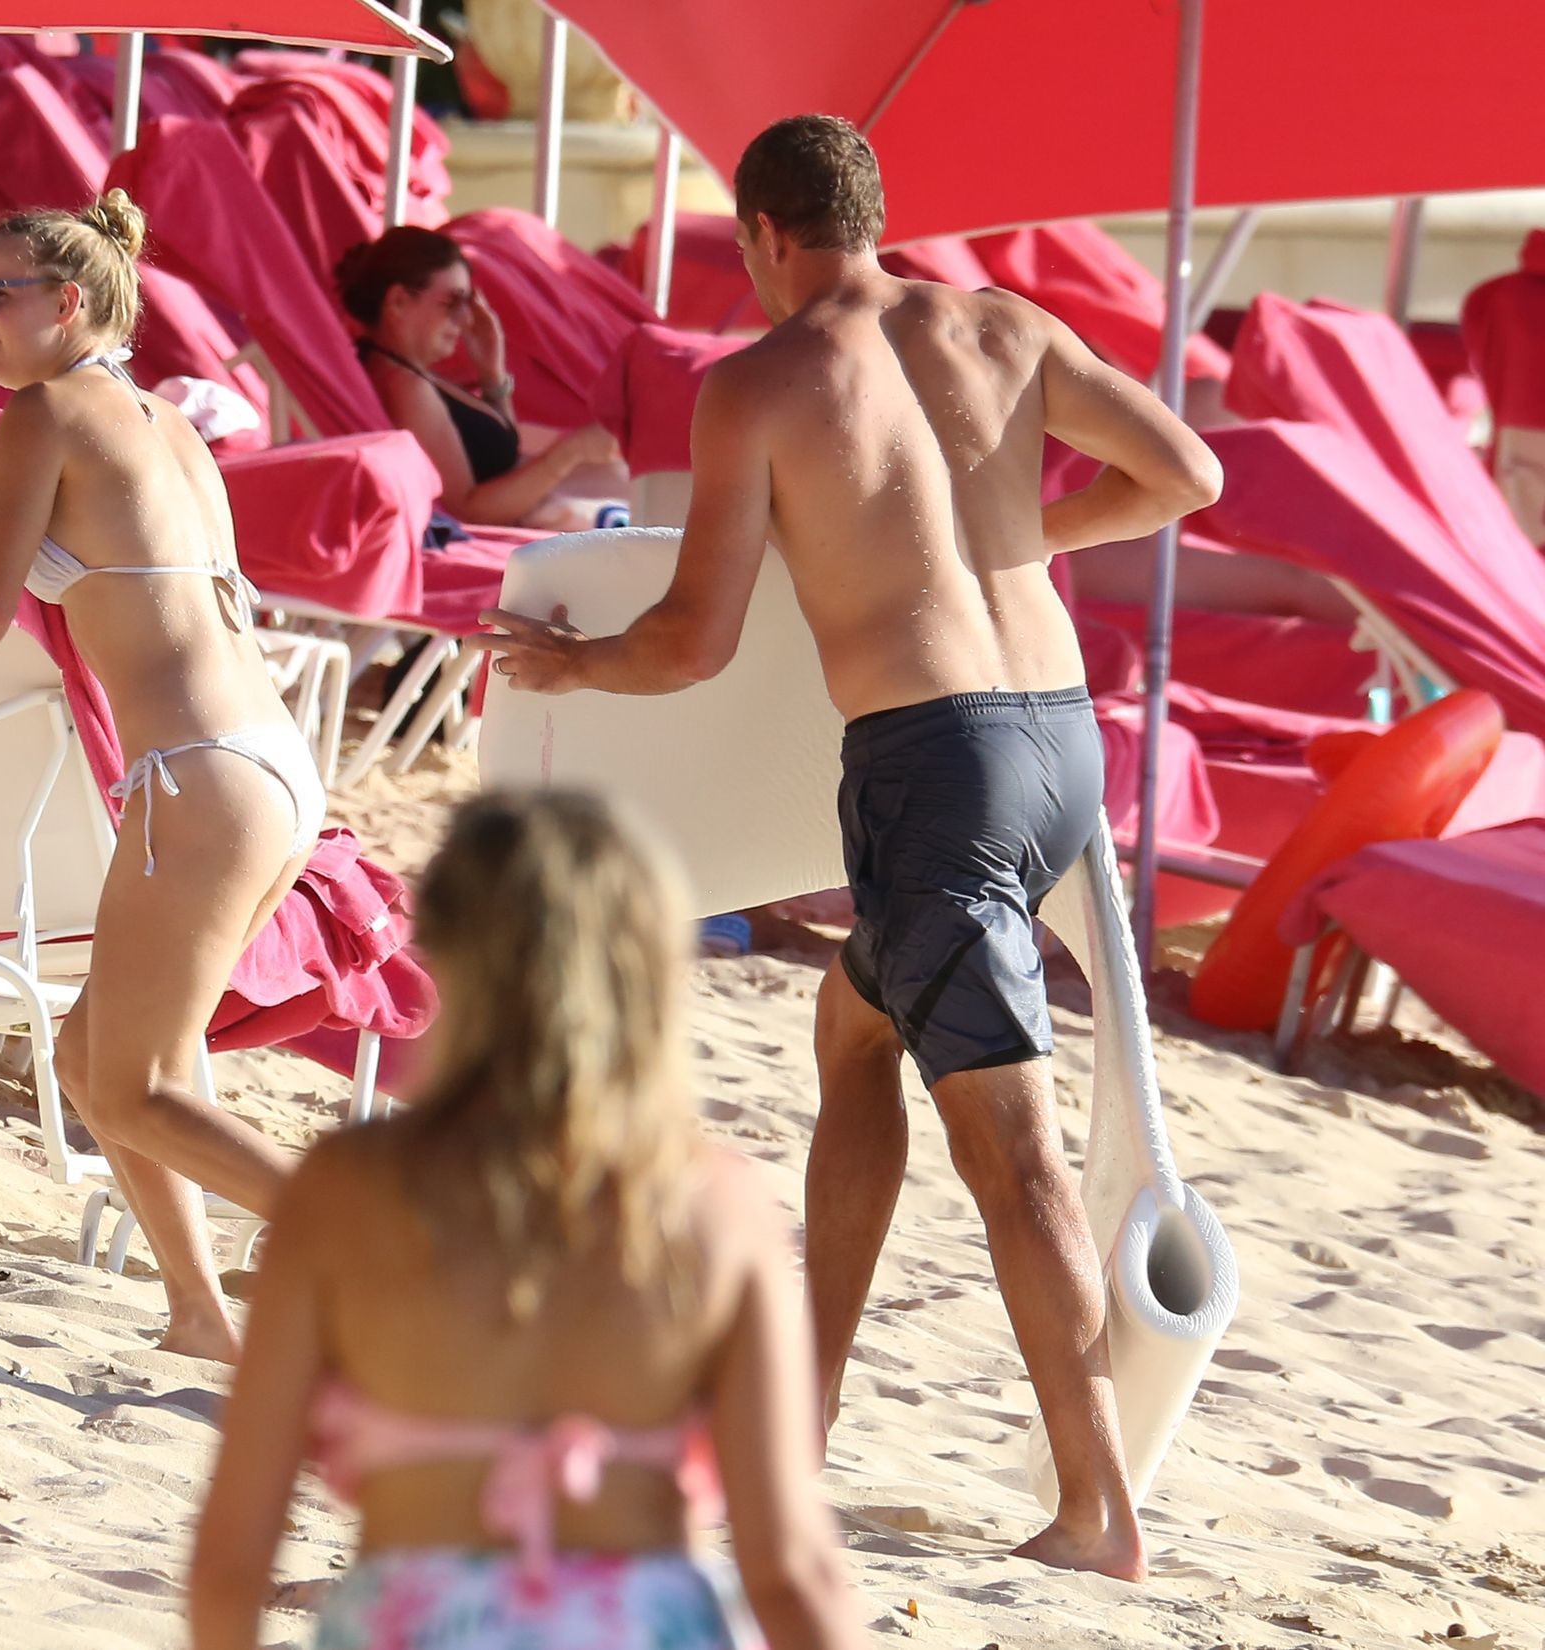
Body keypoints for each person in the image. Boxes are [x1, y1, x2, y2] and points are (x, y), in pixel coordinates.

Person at [482, 115, 1223, 1582]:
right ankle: (800, 1431)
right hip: (1059, 745)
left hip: (934, 772)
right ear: (871, 215)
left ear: (764, 233)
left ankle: (1101, 1513)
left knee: (1013, 1155)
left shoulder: (760, 382)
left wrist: (570, 668)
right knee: (854, 1025)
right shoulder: (1004, 326)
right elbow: (1185, 474)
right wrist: (1019, 542)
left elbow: (693, 641)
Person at [0, 190, 324, 1364]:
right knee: (93, 1063)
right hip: (272, 771)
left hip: (202, 777)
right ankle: (198, 1315)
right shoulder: (173, 426)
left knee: (140, 1086)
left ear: (66, 303)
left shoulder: (46, 412)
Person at [190, 790, 866, 1650]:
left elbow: (233, 1555)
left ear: (440, 952)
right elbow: (791, 1568)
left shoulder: (346, 1190)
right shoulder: (715, 1206)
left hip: (415, 1626)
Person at [335, 226, 621, 528]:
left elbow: (500, 461)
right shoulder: (405, 386)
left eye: (467, 304)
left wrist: (491, 373)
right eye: (452, 303)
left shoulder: (403, 371)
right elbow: (466, 510)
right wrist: (571, 452)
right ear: (398, 302)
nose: (465, 318)